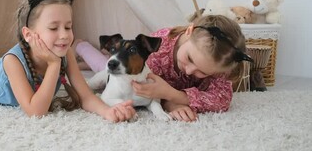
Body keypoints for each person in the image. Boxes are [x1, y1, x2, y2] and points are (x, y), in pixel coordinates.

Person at [0, 0, 136, 122]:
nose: (65, 35)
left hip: (6, 67)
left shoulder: (66, 53)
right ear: (29, 35)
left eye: (68, 27)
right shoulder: (12, 61)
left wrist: (107, 111)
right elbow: (36, 112)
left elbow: (86, 96)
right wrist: (54, 65)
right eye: (53, 28)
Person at [73, 15, 252, 122]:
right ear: (189, 32)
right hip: (124, 72)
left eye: (202, 72)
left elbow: (222, 100)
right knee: (102, 64)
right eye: (189, 58)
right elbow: (144, 84)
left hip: (151, 83)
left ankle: (84, 58)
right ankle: (81, 46)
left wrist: (174, 98)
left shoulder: (219, 63)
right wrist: (168, 101)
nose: (190, 71)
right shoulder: (160, 46)